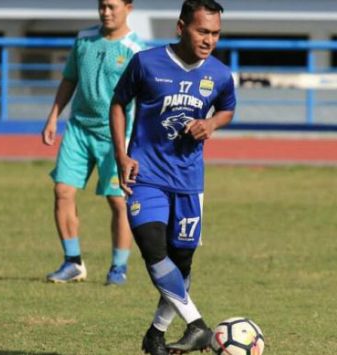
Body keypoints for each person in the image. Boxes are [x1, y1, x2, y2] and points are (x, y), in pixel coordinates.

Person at [109, 0, 235, 353]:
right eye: (202, 31)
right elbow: (118, 103)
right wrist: (121, 155)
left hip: (189, 182)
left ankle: (155, 335)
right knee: (153, 249)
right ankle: (197, 325)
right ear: (181, 28)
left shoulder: (220, 75)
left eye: (216, 33)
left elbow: (227, 108)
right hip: (145, 174)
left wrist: (210, 123)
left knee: (181, 262)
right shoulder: (146, 63)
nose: (209, 40)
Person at [41, 0, 145, 285]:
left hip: (117, 136)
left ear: (128, 8)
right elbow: (69, 79)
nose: (106, 12)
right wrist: (53, 116)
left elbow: (147, 98)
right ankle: (72, 262)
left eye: (112, 6)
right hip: (78, 129)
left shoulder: (137, 51)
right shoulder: (83, 39)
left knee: (118, 201)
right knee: (62, 191)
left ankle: (118, 268)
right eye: (102, 6)